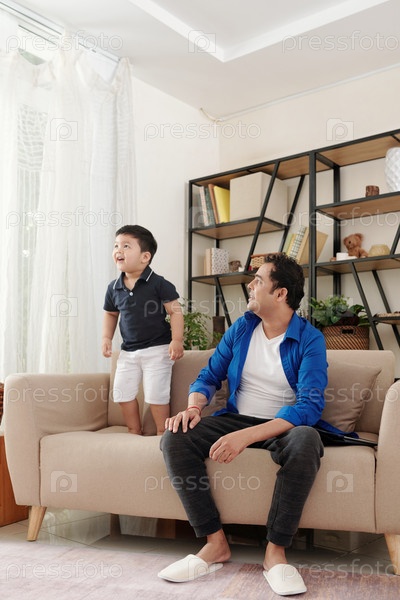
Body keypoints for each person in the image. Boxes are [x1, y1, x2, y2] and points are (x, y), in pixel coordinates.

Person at [158, 252, 327, 596]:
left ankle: (275, 554)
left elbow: (309, 407)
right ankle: (215, 543)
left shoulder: (310, 339)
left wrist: (245, 437)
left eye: (258, 281)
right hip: (235, 419)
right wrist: (193, 407)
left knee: (307, 440)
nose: (250, 286)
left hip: (283, 427)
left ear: (280, 293)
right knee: (175, 437)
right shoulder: (242, 328)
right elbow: (209, 376)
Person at [102, 225, 184, 435]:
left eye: (126, 246)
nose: (118, 250)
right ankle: (134, 430)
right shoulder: (113, 287)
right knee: (122, 393)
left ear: (145, 257)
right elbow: (111, 314)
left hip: (157, 349)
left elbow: (175, 312)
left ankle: (162, 433)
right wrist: (106, 337)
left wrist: (176, 340)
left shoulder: (159, 283)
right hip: (128, 351)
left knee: (156, 394)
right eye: (116, 246)